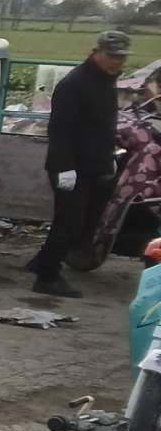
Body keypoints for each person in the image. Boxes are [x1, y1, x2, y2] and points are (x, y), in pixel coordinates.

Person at [27, 31, 130, 297]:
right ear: (95, 52)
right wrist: (64, 167)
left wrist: (109, 157)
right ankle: (47, 277)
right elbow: (60, 129)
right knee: (69, 222)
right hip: (71, 166)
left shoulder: (105, 81)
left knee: (82, 220)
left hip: (93, 164)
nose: (116, 61)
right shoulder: (75, 84)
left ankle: (41, 261)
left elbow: (100, 125)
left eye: (121, 57)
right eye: (111, 56)